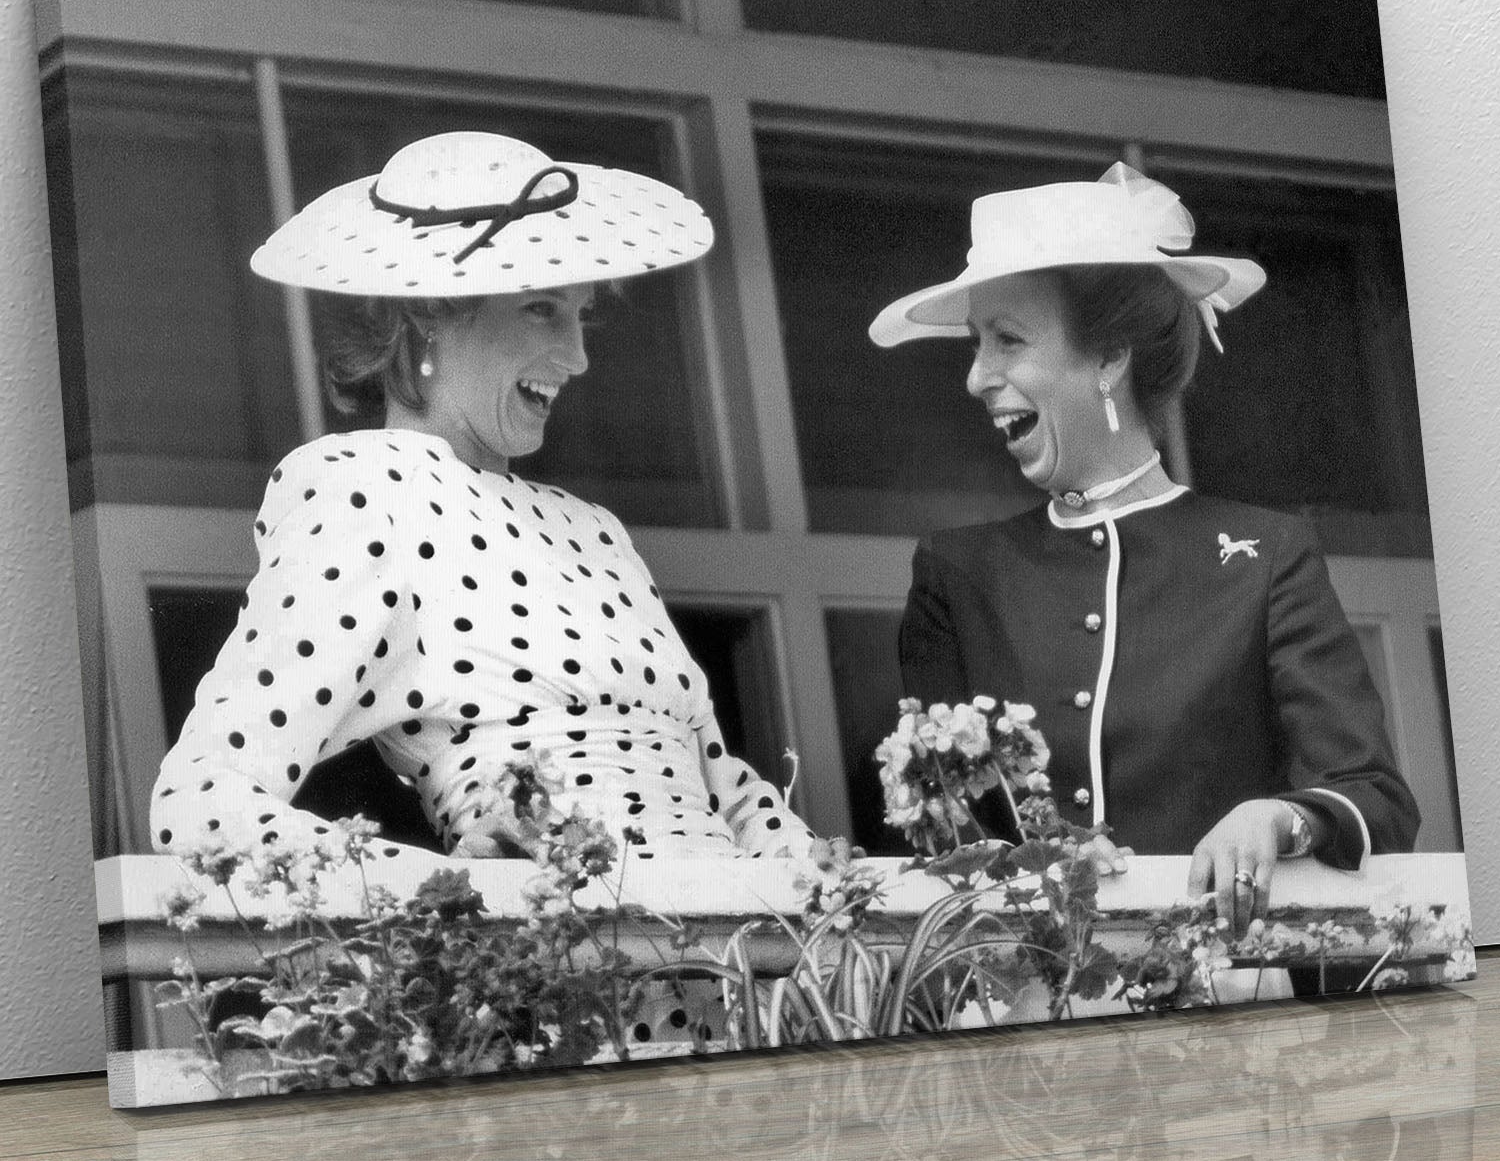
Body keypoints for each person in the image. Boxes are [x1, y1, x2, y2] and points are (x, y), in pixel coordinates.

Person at [151, 130, 812, 872]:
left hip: (725, 966)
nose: (579, 356)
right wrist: (450, 897)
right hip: (566, 968)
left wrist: (812, 874)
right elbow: (204, 801)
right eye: (542, 310)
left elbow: (716, 779)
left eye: (581, 315)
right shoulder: (364, 490)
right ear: (431, 313)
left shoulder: (593, 530)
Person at [868, 162, 1418, 932]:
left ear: (1109, 357)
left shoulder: (1265, 552)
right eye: (974, 343)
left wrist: (1278, 819)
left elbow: (1374, 797)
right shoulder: (956, 575)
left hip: (1226, 998)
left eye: (1008, 341)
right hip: (1027, 998)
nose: (976, 377)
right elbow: (943, 829)